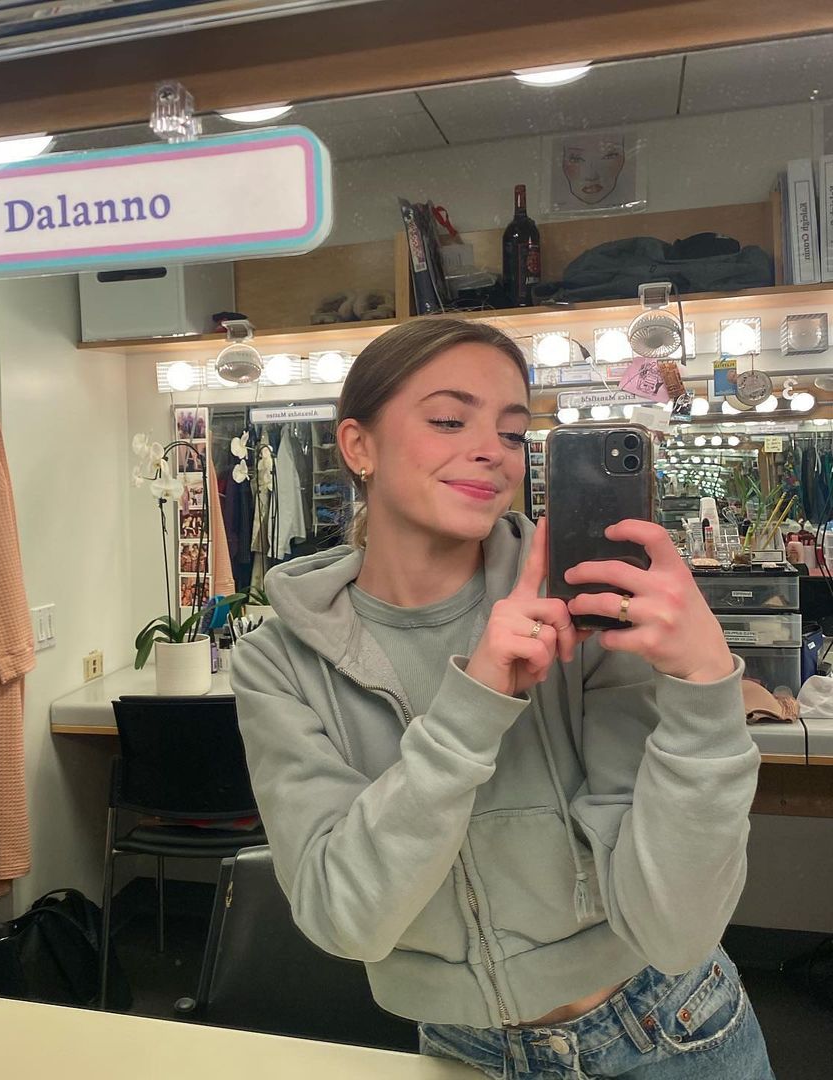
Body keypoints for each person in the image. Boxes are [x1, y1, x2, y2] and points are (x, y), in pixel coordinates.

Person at [231, 318, 773, 1078]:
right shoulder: (279, 662)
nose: (493, 451)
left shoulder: (582, 608)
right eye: (449, 420)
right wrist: (475, 704)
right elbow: (343, 917)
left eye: (514, 433)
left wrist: (705, 690)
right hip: (464, 1050)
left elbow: (674, 929)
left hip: (667, 1032)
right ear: (358, 446)